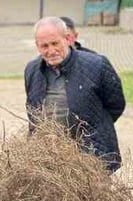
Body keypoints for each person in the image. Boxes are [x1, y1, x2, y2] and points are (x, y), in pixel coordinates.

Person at [24, 17, 126, 171]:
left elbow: (116, 105)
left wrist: (94, 127)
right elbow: (33, 111)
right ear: (37, 46)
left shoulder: (96, 65)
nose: (51, 51)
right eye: (44, 46)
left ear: (67, 39)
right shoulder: (32, 70)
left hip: (91, 160)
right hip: (49, 160)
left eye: (55, 43)